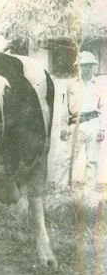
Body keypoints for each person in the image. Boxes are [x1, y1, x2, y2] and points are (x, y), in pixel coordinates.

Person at [59, 51, 105, 191]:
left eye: (87, 66)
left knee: (92, 160)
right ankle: (63, 188)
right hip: (75, 123)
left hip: (93, 123)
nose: (84, 69)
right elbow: (64, 106)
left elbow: (103, 107)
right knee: (68, 158)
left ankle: (88, 191)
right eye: (81, 66)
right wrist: (63, 127)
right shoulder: (71, 84)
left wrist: (102, 128)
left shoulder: (99, 84)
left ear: (92, 67)